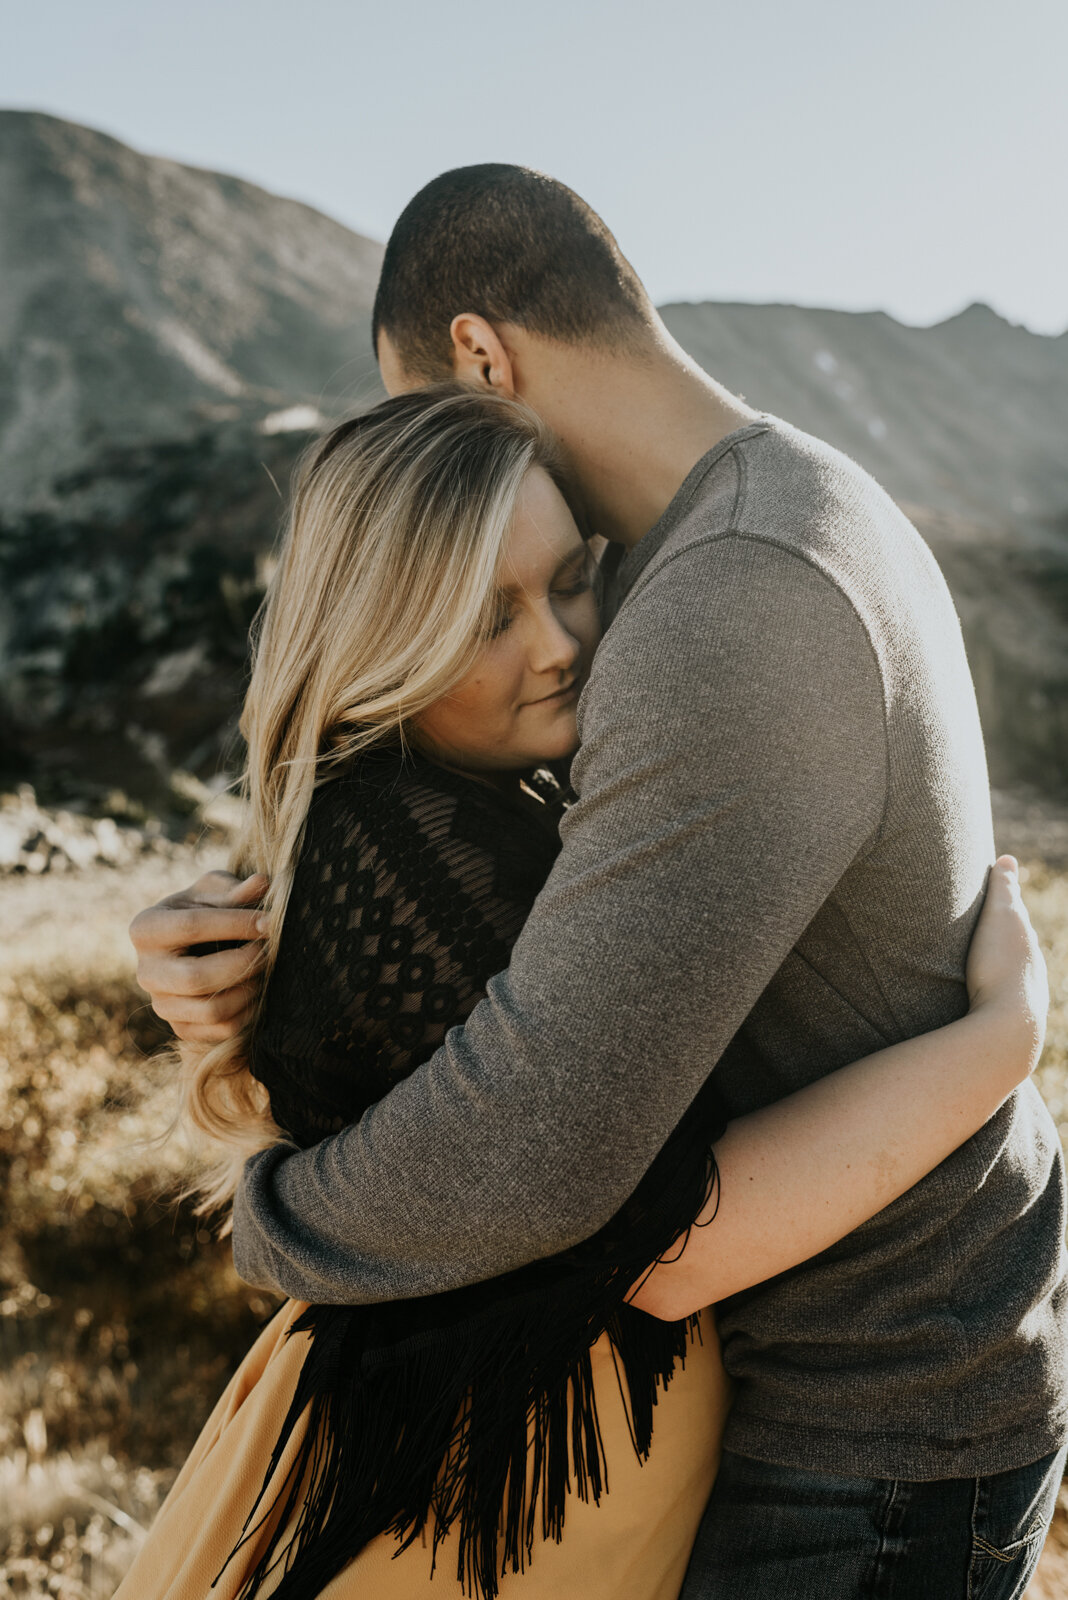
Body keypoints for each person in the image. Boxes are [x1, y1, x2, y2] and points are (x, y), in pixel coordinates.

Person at [131, 168, 1068, 1600]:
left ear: (480, 357)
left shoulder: (729, 593)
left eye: (432, 405)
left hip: (866, 1416)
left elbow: (550, 1141)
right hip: (852, 1374)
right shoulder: (764, 510)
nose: (553, 635)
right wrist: (240, 958)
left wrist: (278, 1218)